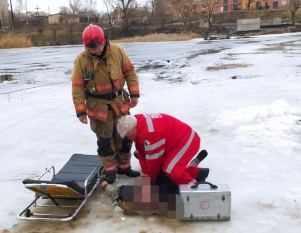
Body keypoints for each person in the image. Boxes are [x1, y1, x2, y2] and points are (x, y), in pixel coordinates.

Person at [71, 24, 141, 184]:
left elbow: (130, 72)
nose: (93, 51)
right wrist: (80, 111)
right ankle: (110, 170)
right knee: (105, 141)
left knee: (125, 138)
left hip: (119, 103)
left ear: (104, 41)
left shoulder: (117, 51)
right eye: (90, 48)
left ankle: (125, 166)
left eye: (96, 47)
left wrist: (134, 93)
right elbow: (77, 87)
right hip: (98, 106)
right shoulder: (81, 61)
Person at [117, 114, 209, 185]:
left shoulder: (150, 133)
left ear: (135, 128)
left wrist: (150, 179)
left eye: (131, 135)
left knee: (170, 169)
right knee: (164, 168)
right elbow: (142, 153)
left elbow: (154, 162)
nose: (130, 139)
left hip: (186, 140)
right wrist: (145, 174)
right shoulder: (136, 122)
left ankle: (192, 188)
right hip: (172, 142)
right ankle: (197, 173)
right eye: (128, 137)